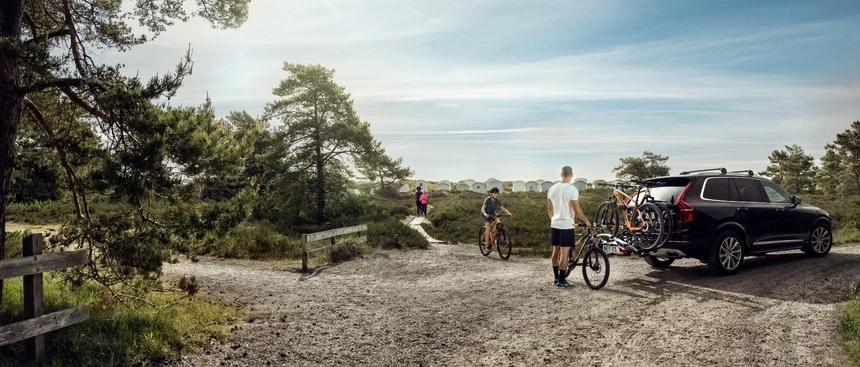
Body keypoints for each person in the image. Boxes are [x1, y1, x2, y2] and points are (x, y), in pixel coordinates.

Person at [546, 166, 592, 288]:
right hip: (566, 225)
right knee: (564, 253)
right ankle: (562, 281)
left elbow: (550, 209)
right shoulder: (572, 189)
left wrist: (554, 219)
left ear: (561, 174)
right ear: (571, 175)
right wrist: (586, 221)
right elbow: (577, 210)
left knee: (555, 251)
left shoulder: (551, 188)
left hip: (554, 223)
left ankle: (556, 278)